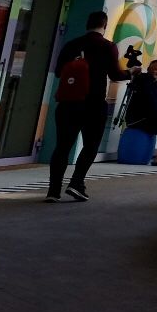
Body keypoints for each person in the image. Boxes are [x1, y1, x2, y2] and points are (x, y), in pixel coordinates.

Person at [46, 11, 131, 202]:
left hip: (68, 105)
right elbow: (115, 75)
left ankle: (53, 191)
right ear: (105, 25)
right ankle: (76, 183)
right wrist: (131, 73)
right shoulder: (107, 46)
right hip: (93, 105)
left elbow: (59, 72)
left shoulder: (71, 44)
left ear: (87, 24)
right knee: (91, 145)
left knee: (62, 146)